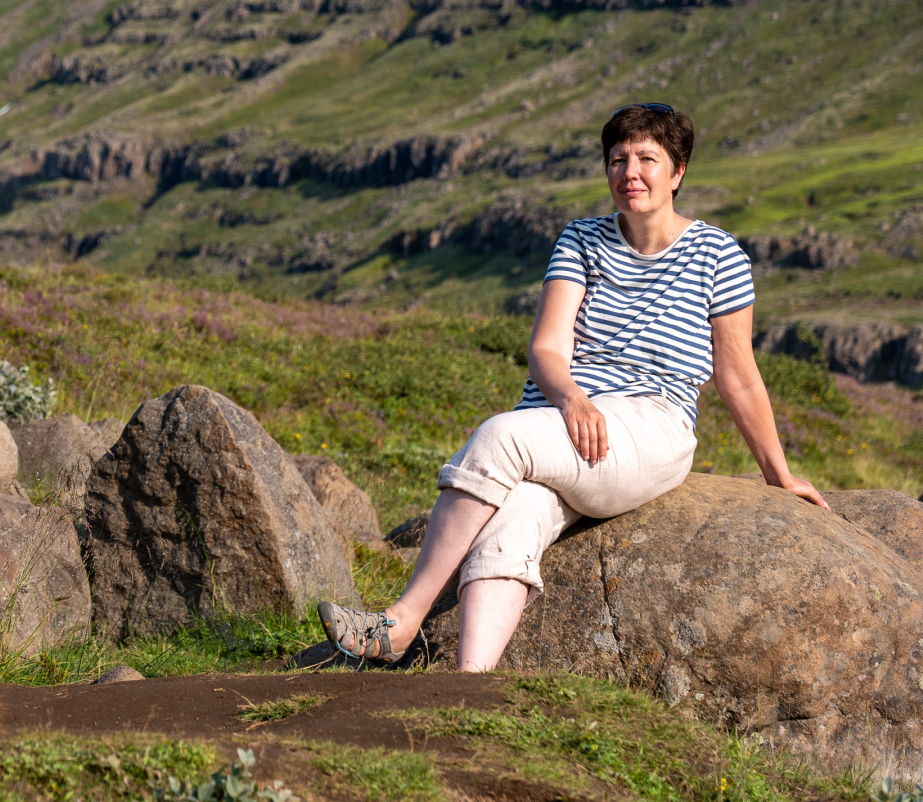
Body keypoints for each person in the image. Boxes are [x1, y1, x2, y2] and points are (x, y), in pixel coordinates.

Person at [316, 103, 829, 671]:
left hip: (650, 424)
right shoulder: (581, 239)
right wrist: (572, 398)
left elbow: (737, 374)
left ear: (678, 170)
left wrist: (778, 475)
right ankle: (468, 683)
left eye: (646, 159)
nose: (629, 172)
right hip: (564, 419)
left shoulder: (718, 254)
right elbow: (547, 350)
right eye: (617, 159)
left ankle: (403, 620)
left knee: (498, 438)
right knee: (517, 517)